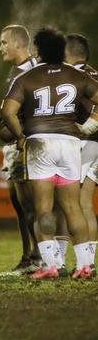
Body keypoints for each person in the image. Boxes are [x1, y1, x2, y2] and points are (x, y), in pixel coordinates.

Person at [2, 28, 98, 279]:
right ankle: (85, 266)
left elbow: (8, 112)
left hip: (39, 143)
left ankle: (52, 265)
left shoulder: (27, 77)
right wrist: (90, 123)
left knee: (43, 209)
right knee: (73, 207)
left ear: (39, 51)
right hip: (69, 143)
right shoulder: (76, 74)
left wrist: (21, 136)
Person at [0, 25, 41, 276]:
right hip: (13, 145)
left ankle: (38, 256)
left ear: (18, 44)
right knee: (18, 202)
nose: (1, 47)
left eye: (4, 42)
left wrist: (19, 131)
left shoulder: (31, 71)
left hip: (25, 144)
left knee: (30, 203)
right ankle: (28, 256)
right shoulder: (16, 71)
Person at [65, 34, 98, 269]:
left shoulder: (76, 75)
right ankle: (90, 262)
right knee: (85, 202)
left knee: (78, 203)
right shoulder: (94, 72)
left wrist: (88, 126)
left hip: (90, 142)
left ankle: (84, 263)